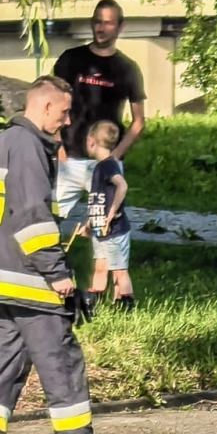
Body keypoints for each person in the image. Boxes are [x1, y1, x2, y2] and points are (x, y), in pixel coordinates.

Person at [0, 74, 128, 434]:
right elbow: (32, 215)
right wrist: (58, 273)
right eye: (65, 113)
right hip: (26, 277)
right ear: (46, 107)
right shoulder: (29, 146)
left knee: (3, 364)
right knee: (62, 361)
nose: (67, 122)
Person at [51, 0, 146, 239]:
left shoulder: (127, 68)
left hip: (105, 161)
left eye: (107, 23)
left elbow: (138, 122)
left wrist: (113, 158)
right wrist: (58, 145)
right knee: (48, 219)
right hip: (69, 158)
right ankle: (38, 268)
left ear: (120, 27)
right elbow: (51, 104)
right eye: (96, 22)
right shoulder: (70, 60)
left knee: (107, 231)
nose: (101, 28)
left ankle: (109, 275)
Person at [80, 120, 135, 310]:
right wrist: (89, 223)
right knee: (100, 267)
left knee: (119, 270)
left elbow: (122, 185)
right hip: (99, 230)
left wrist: (112, 212)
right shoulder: (99, 167)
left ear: (91, 141)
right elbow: (97, 200)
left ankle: (125, 304)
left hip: (115, 230)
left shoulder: (109, 165)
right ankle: (92, 302)